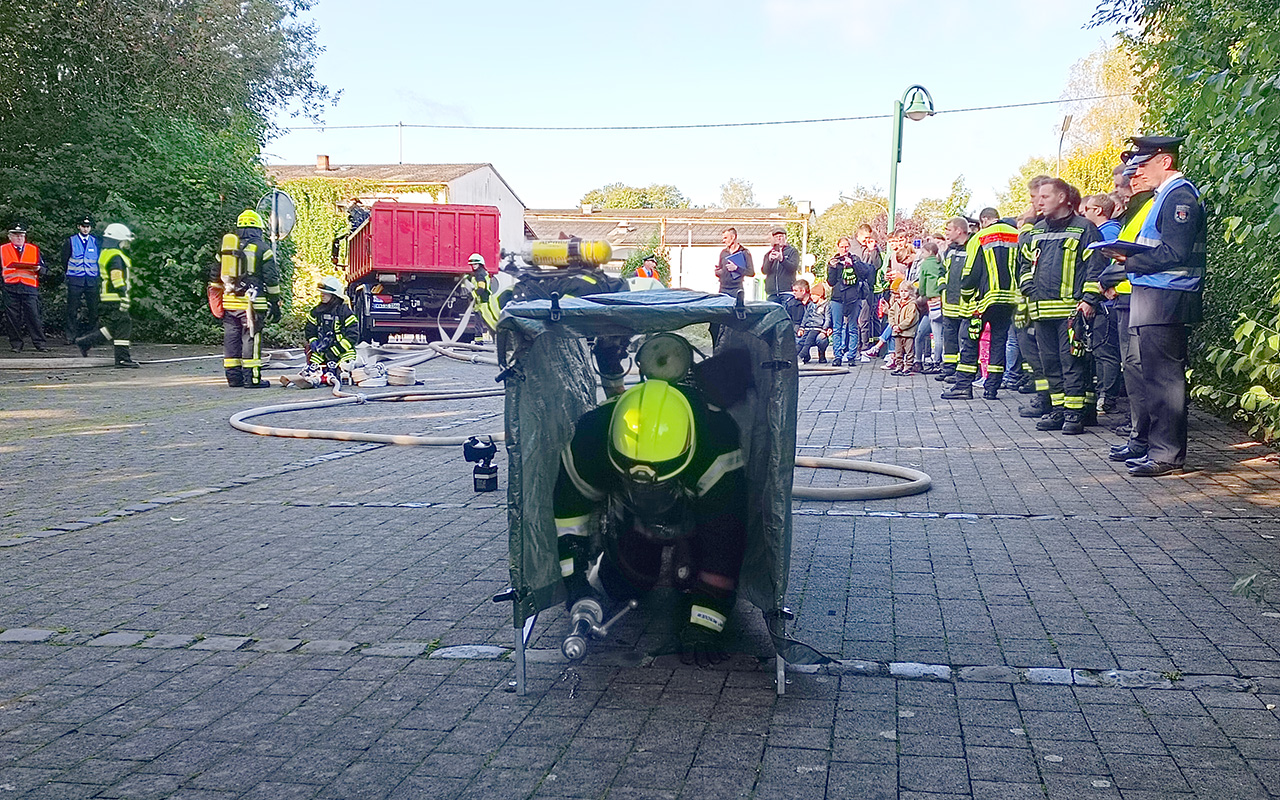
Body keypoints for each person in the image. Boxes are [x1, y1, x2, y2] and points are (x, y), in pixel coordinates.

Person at [554, 352, 748, 666]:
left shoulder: (717, 441)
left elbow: (726, 536)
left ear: (687, 448)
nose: (648, 485)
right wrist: (576, 583)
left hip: (695, 514)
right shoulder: (590, 437)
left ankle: (693, 587)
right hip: (629, 517)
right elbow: (569, 520)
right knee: (628, 581)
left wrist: (708, 618)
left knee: (693, 582)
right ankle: (627, 563)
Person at [1105, 135, 1206, 476]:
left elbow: (1175, 253)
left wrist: (1127, 262)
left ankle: (1166, 455)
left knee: (1164, 380)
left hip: (1168, 296)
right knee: (1155, 377)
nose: (1138, 172)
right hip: (1156, 296)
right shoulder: (1166, 196)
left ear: (1165, 161)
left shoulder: (1180, 196)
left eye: (1143, 165)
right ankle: (1158, 450)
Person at [1018, 178, 1105, 434]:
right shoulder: (1036, 231)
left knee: (1072, 363)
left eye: (1045, 196)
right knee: (1050, 364)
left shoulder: (1085, 228)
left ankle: (1074, 414)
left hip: (1071, 312)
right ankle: (1058, 410)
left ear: (1063, 198)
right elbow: (1023, 265)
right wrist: (1028, 289)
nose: (1039, 201)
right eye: (1039, 197)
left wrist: (1089, 300)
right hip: (1041, 310)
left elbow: (1095, 267)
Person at [942, 208, 1019, 400]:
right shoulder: (1017, 236)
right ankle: (992, 388)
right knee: (998, 342)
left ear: (984, 220)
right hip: (1009, 299)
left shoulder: (980, 237)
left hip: (982, 301)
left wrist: (966, 296)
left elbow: (971, 272)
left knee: (970, 341)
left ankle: (963, 386)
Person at [215, 210, 281, 388]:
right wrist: (275, 303)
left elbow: (215, 273)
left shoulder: (228, 248)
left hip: (229, 302)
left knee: (231, 338)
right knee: (251, 339)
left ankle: (234, 378)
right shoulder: (262, 249)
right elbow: (271, 279)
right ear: (258, 228)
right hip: (252, 303)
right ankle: (252, 379)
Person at [74, 224, 140, 368]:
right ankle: (122, 359)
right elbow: (116, 277)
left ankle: (86, 342)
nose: (126, 244)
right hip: (115, 297)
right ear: (118, 240)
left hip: (107, 297)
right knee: (124, 325)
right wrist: (123, 295)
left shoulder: (106, 253)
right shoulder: (116, 256)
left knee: (112, 327)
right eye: (124, 241)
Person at [1082, 194, 1123, 413]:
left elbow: (1106, 264)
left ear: (1098, 210)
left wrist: (1105, 285)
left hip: (1108, 301)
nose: (1083, 213)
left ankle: (1107, 398)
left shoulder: (1107, 233)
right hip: (1103, 299)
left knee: (1105, 351)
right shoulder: (1105, 231)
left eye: (1087, 208)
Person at [825, 236, 872, 366]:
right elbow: (831, 282)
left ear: (849, 247)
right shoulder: (834, 261)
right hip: (837, 298)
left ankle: (851, 355)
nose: (844, 249)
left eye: (846, 246)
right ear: (838, 247)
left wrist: (853, 264)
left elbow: (865, 273)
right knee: (837, 328)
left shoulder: (855, 259)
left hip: (853, 298)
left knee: (853, 327)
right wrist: (832, 268)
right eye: (842, 247)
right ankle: (837, 356)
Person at [2, 225, 49, 352]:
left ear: (25, 237)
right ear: (10, 237)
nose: (19, 238)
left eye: (21, 235)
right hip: (10, 287)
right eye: (16, 235)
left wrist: (39, 269)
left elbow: (44, 269)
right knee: (13, 318)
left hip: (29, 287)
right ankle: (16, 345)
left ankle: (40, 343)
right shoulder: (2, 250)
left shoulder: (33, 249)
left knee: (34, 315)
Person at [935, 217, 971, 383]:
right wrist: (943, 287)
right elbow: (941, 272)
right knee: (949, 339)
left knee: (964, 339)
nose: (946, 232)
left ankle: (962, 371)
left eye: (949, 229)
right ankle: (949, 369)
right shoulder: (949, 250)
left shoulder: (972, 247)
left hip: (966, 305)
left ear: (959, 230)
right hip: (949, 303)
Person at [60, 216, 100, 344]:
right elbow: (64, 259)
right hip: (76, 279)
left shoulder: (96, 241)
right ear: (79, 227)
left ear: (91, 228)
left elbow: (99, 260)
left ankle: (92, 336)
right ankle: (70, 336)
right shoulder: (70, 241)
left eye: (88, 227)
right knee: (72, 309)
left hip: (91, 280)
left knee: (93, 309)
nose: (85, 229)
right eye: (83, 226)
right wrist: (70, 274)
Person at [306, 276, 359, 370]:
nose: (322, 295)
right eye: (321, 293)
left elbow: (352, 335)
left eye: (326, 293)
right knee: (313, 369)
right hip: (322, 351)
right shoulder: (316, 311)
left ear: (334, 295)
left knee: (346, 368)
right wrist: (313, 342)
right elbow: (310, 330)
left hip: (342, 351)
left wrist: (335, 350)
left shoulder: (344, 312)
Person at [914, 240, 942, 371]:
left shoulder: (925, 264)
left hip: (932, 302)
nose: (921, 254)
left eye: (923, 252)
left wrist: (920, 294)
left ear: (930, 252)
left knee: (935, 335)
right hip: (942, 300)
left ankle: (935, 362)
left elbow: (922, 283)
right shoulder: (940, 263)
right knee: (939, 334)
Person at [888, 278, 920, 376]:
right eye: (901, 291)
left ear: (910, 292)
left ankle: (908, 366)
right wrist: (893, 325)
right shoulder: (896, 304)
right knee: (898, 350)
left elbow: (910, 319)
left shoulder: (912, 304)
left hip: (908, 333)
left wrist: (900, 326)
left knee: (909, 350)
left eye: (905, 291)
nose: (903, 293)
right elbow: (891, 314)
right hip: (897, 332)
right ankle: (899, 366)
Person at [761, 228, 801, 305]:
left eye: (781, 236)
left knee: (786, 314)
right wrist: (770, 260)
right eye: (776, 237)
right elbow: (764, 271)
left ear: (785, 238)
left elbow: (793, 267)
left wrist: (782, 259)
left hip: (786, 291)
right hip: (772, 293)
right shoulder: (768, 254)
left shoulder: (792, 251)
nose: (778, 239)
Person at [796, 280, 832, 364]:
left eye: (813, 295)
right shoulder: (810, 305)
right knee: (801, 341)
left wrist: (824, 330)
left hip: (817, 328)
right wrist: (802, 327)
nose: (811, 297)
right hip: (808, 327)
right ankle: (794, 355)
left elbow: (828, 318)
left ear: (819, 295)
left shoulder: (826, 305)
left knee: (808, 342)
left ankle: (801, 356)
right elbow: (805, 317)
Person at [714, 227, 754, 297]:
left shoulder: (744, 252)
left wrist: (736, 268)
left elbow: (751, 272)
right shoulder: (723, 253)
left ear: (733, 237)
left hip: (736, 289)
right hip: (723, 288)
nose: (723, 241)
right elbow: (720, 269)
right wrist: (718, 272)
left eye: (726, 238)